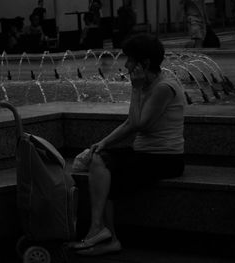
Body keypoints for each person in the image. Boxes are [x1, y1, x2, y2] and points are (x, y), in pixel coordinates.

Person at [69, 34, 185, 256]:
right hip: (146, 153)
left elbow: (138, 124)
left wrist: (136, 88)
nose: (126, 64)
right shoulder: (151, 84)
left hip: (165, 158)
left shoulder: (163, 87)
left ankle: (101, 232)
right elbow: (129, 124)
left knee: (103, 165)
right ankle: (103, 234)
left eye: (130, 60)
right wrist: (102, 142)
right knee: (99, 157)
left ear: (145, 64)